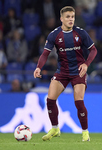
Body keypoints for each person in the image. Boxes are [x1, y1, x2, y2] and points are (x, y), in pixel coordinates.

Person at [33, 6, 97, 141]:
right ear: (61, 18)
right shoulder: (54, 35)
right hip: (62, 72)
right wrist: (39, 67)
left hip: (78, 72)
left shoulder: (81, 33)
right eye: (68, 17)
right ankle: (55, 128)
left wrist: (86, 64)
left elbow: (93, 50)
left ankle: (85, 132)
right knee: (50, 100)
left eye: (72, 17)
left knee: (79, 102)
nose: (71, 19)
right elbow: (45, 53)